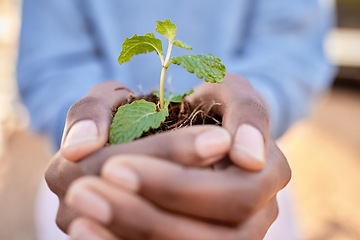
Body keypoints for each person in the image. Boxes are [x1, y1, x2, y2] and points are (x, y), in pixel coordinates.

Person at [17, 0, 336, 239]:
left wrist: (250, 114)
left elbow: (292, 51)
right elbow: (49, 63)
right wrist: (85, 134)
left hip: (243, 183)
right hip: (83, 179)